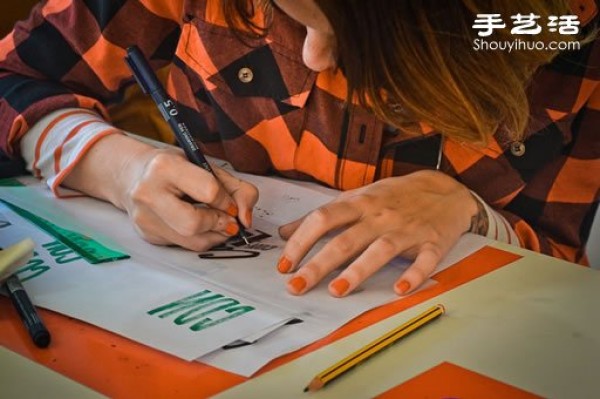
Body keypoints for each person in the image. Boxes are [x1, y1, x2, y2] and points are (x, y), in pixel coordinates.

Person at [0, 0, 598, 298]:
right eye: (291, 14)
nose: (311, 58)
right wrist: (116, 167)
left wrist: (468, 214)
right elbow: (10, 79)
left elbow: (563, 288)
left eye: (340, 31)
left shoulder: (549, 34)